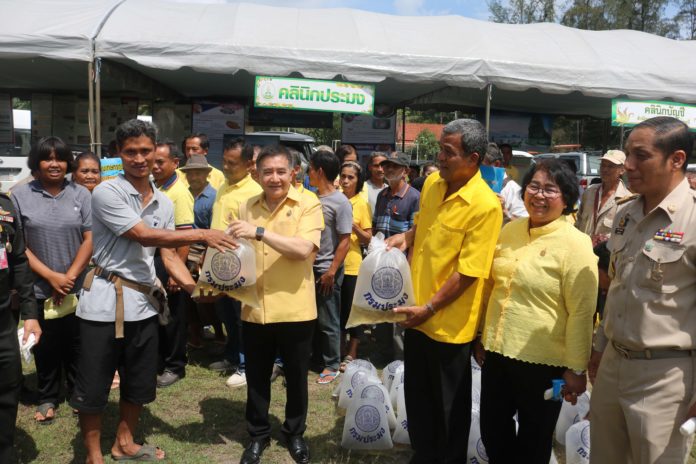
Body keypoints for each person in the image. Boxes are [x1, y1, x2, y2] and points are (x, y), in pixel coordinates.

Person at [69, 119, 236, 463]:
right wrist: (202, 235)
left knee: (140, 381)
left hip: (144, 305)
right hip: (103, 303)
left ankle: (124, 443)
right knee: (94, 384)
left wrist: (195, 289)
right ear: (118, 153)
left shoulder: (164, 202)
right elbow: (144, 235)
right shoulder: (106, 191)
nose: (139, 158)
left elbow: (168, 257)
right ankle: (93, 456)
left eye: (146, 151)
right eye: (131, 152)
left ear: (158, 152)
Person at [386, 119, 502, 463]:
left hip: (448, 325)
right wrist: (405, 237)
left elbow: (469, 273)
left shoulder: (485, 205)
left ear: (473, 158)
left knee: (449, 408)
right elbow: (425, 224)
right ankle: (424, 454)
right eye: (440, 149)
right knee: (419, 398)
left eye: (447, 152)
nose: (439, 158)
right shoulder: (436, 184)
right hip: (417, 314)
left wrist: (431, 309)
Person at [475, 159, 598, 464]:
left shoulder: (576, 243)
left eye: (550, 189)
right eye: (533, 186)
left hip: (546, 364)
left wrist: (576, 369)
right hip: (498, 351)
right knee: (493, 430)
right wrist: (481, 334)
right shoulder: (510, 230)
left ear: (566, 198)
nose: (539, 195)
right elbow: (492, 286)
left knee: (535, 439)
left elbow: (582, 311)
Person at [589, 116, 696, 464]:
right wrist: (600, 348)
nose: (628, 166)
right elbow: (619, 285)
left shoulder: (692, 220)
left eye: (640, 156)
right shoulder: (626, 214)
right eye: (626, 156)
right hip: (613, 364)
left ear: (676, 159)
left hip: (664, 376)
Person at [227, 144, 323, 464]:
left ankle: (294, 433)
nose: (274, 178)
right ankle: (258, 435)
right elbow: (237, 254)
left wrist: (259, 232)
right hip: (254, 307)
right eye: (267, 172)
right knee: (256, 376)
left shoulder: (308, 203)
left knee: (296, 377)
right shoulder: (246, 206)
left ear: (293, 173)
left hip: (296, 308)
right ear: (256, 174)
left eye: (281, 171)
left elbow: (303, 249)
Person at [11, 136, 93, 424]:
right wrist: (51, 276)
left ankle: (77, 392)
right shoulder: (20, 196)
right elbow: (19, 245)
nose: (55, 164)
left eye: (60, 158)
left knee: (77, 342)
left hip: (77, 285)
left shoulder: (81, 194)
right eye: (47, 158)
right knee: (44, 343)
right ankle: (47, 395)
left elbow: (89, 238)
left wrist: (68, 277)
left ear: (68, 162)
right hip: (39, 285)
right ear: (37, 162)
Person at [209, 138, 262, 388]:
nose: (226, 167)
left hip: (241, 264)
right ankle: (232, 356)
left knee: (242, 317)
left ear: (250, 164)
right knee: (227, 314)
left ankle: (246, 365)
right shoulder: (223, 185)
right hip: (218, 262)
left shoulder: (254, 192)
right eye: (224, 162)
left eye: (232, 163)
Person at [0, 192, 41, 463]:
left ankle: (5, 450)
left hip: (3, 320)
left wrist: (30, 313)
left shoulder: (4, 205)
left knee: (8, 384)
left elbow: (19, 263)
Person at [152, 141, 195, 388]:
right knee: (159, 313)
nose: (155, 167)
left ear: (175, 163)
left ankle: (175, 366)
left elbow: (185, 236)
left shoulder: (179, 192)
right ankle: (159, 361)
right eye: (153, 162)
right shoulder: (156, 187)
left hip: (172, 262)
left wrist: (175, 272)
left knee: (174, 317)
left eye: (161, 162)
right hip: (158, 259)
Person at [308, 148, 352, 384]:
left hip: (327, 269)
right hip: (308, 268)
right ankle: (316, 358)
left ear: (320, 171)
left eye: (310, 169)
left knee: (329, 319)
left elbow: (345, 240)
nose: (308, 173)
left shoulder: (340, 202)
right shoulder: (310, 197)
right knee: (311, 318)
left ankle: (332, 364)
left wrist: (332, 271)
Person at [372, 151, 420, 362]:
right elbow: (376, 229)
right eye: (386, 166)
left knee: (399, 311)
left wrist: (407, 266)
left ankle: (400, 359)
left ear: (406, 171)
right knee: (381, 307)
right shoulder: (382, 195)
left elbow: (415, 235)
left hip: (402, 265)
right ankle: (383, 354)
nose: (387, 170)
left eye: (394, 166)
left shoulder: (415, 197)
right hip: (382, 263)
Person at [338, 161, 372, 371]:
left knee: (353, 311)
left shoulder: (362, 203)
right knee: (338, 310)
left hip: (353, 264)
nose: (346, 180)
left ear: (358, 180)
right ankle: (339, 349)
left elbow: (368, 238)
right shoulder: (336, 199)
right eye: (343, 176)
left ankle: (352, 351)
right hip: (334, 262)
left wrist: (353, 226)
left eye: (351, 177)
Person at [575, 149, 632, 246]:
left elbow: (627, 235)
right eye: (603, 165)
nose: (605, 169)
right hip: (582, 251)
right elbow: (578, 222)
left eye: (610, 166)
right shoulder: (589, 192)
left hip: (606, 257)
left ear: (622, 170)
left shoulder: (627, 200)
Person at [482, 143, 527, 223]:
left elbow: (524, 224)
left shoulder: (514, 191)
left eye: (480, 165)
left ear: (496, 164)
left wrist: (505, 212)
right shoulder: (473, 184)